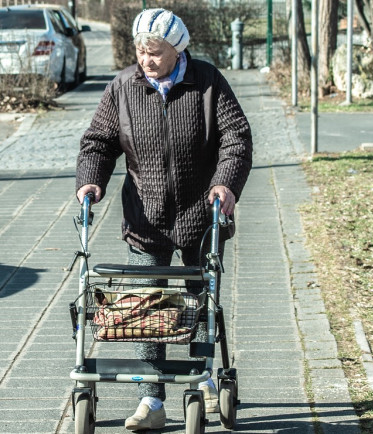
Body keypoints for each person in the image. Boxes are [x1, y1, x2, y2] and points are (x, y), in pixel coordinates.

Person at [75, 8, 252, 431]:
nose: (146, 59)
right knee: (145, 309)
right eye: (141, 50)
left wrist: (225, 184)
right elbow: (98, 142)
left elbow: (236, 138)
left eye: (155, 52)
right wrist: (90, 182)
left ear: (178, 50)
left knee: (196, 303)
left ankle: (201, 377)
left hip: (200, 215)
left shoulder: (207, 82)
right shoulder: (123, 87)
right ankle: (151, 401)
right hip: (146, 216)